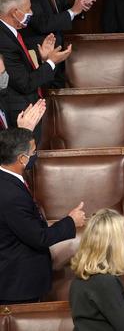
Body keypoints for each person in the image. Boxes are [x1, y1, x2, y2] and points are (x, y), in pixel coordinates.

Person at [0, 127, 86, 304]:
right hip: (17, 285)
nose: (34, 155)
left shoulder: (7, 180)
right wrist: (71, 221)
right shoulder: (11, 195)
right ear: (22, 159)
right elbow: (39, 237)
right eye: (33, 152)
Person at [0, 0, 71, 139]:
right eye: (28, 9)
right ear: (15, 12)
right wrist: (52, 62)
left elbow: (20, 71)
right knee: (26, 159)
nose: (31, 12)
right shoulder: (3, 41)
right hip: (19, 114)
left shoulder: (9, 32)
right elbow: (24, 83)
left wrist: (43, 59)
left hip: (27, 107)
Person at [11, 0, 96, 88]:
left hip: (57, 48)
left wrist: (79, 7)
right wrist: (72, 12)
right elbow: (40, 23)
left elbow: (61, 8)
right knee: (46, 97)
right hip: (40, 51)